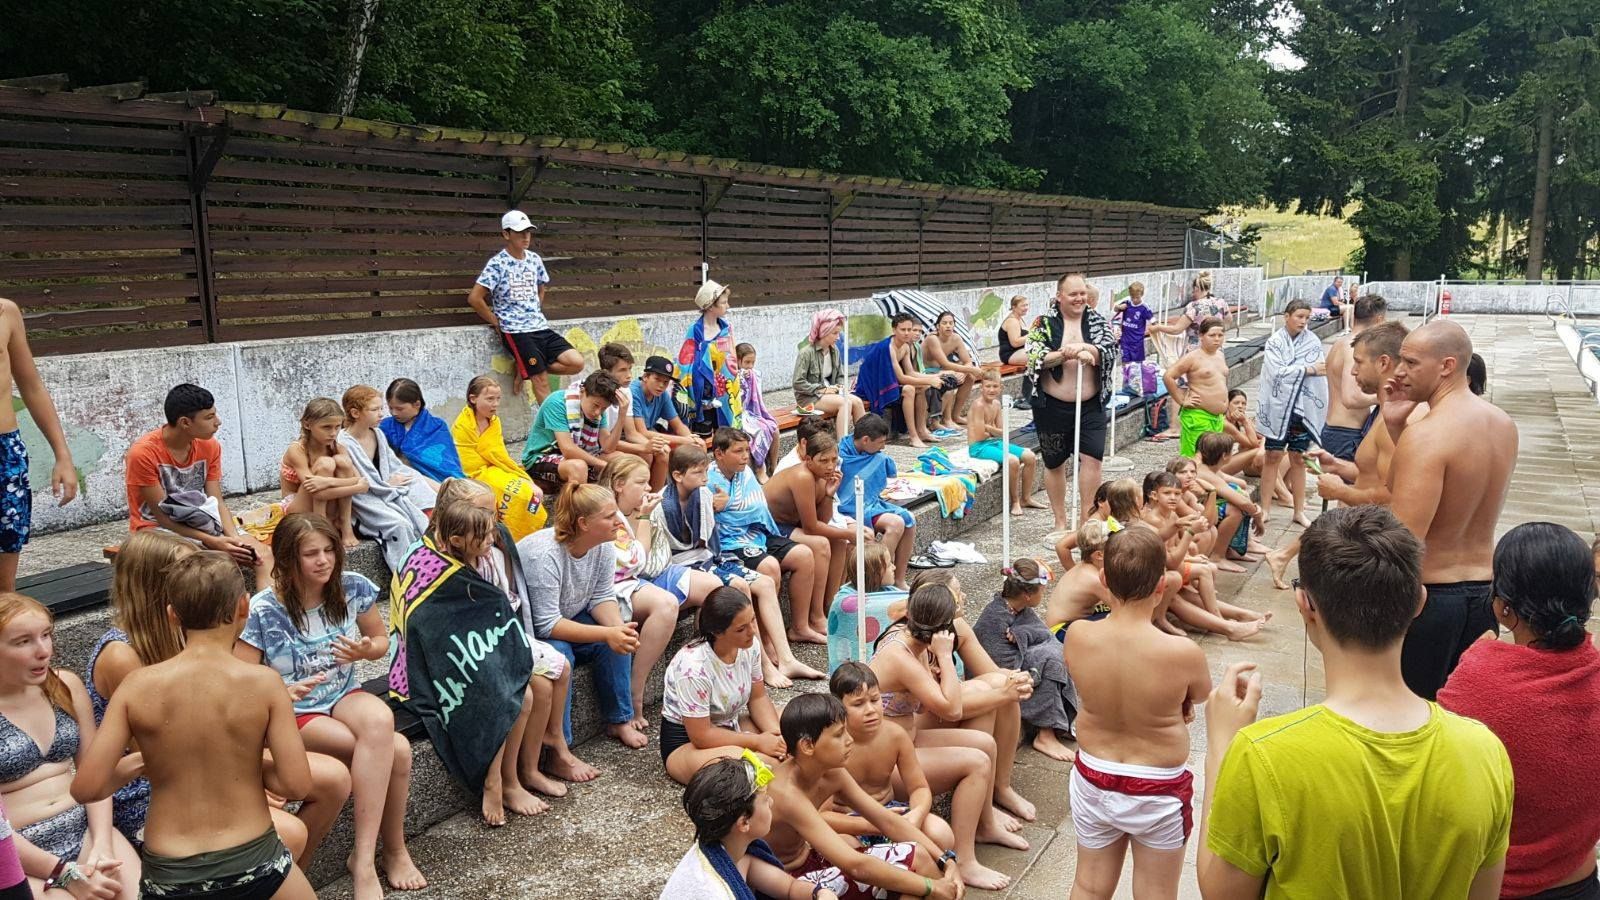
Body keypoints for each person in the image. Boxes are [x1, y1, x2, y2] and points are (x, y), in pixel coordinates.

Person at [1197, 506, 1514, 898]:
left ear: (1305, 604)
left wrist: (1220, 749)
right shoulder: (1485, 752)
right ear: (1419, 601)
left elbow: (1221, 892)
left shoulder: (1263, 755)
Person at [88, 531, 350, 866]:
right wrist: (249, 784)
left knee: (334, 779)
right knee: (291, 832)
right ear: (156, 587)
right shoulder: (122, 655)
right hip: (154, 788)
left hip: (207, 756)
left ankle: (280, 877)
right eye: (186, 570)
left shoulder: (187, 633)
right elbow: (159, 756)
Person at [234, 513, 424, 898]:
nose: (323, 560)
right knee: (397, 751)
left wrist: (365, 650)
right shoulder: (263, 609)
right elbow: (239, 680)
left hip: (342, 694)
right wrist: (280, 692)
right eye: (311, 554)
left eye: (329, 550)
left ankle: (370, 856)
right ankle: (385, 853)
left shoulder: (351, 586)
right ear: (287, 559)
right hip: (295, 711)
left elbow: (380, 641)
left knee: (380, 720)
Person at [1438, 522, 1600, 900]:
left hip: (1489, 887)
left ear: (1502, 607)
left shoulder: (1478, 679)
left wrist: (1476, 662)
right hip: (1578, 883)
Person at [1063, 526, 1210, 900]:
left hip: (1094, 773)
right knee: (1155, 892)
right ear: (1162, 585)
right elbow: (1200, 693)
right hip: (1158, 786)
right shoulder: (1182, 652)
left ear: (1103, 578)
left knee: (1089, 885)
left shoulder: (1078, 635)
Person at [431, 477, 596, 789]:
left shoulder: (492, 545)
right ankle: (510, 780)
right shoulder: (437, 560)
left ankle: (537, 762)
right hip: (473, 651)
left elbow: (507, 595)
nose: (493, 525)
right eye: (485, 515)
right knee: (529, 694)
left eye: (493, 515)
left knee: (554, 674)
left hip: (501, 636)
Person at [388, 494, 543, 826]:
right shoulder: (428, 564)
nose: (491, 540)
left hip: (470, 648)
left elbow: (489, 613)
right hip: (423, 668)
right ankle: (493, 780)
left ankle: (510, 779)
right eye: (483, 536)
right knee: (505, 696)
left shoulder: (473, 557)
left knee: (524, 695)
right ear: (457, 540)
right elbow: (424, 629)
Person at [1388, 319, 1518, 699]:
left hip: (1430, 599)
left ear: (1447, 365)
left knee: (1412, 714)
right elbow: (1407, 485)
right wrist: (1396, 426)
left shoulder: (1428, 434)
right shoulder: (1503, 424)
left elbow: (1404, 540)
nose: (1399, 372)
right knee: (1463, 712)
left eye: (1411, 363)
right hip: (1485, 595)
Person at [646, 444, 820, 688]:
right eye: (698, 473)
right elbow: (662, 555)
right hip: (682, 565)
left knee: (766, 583)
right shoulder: (660, 506)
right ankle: (763, 666)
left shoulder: (703, 495)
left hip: (709, 558)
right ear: (677, 475)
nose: (705, 479)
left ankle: (787, 659)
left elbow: (709, 542)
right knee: (739, 586)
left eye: (705, 472)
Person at [0, 594, 138, 899]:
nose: (43, 651)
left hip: (86, 830)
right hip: (19, 851)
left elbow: (95, 773)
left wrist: (102, 844)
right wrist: (62, 872)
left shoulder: (65, 686)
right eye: (23, 642)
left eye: (46, 635)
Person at [829, 663, 1011, 891]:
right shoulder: (832, 747)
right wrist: (868, 824)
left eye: (875, 700)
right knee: (843, 848)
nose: (870, 710)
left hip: (893, 812)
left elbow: (919, 788)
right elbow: (821, 816)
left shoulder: (894, 735)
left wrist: (916, 814)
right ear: (838, 707)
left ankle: (912, 878)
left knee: (941, 834)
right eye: (858, 704)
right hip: (853, 822)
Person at [868, 584, 1037, 828]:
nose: (963, 597)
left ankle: (987, 823)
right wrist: (945, 657)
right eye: (957, 594)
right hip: (886, 762)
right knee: (977, 760)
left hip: (906, 740)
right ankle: (966, 850)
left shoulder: (916, 642)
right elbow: (953, 710)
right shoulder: (900, 654)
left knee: (986, 744)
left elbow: (923, 707)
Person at [764, 695, 963, 899]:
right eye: (839, 734)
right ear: (807, 746)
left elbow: (887, 820)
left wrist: (946, 860)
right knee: (917, 865)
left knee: (914, 874)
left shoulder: (831, 772)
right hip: (787, 882)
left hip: (812, 860)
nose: (849, 740)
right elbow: (856, 867)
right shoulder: (787, 794)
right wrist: (931, 887)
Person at [518, 483, 647, 749]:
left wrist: (618, 631)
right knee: (560, 655)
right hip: (530, 630)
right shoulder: (544, 555)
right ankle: (559, 747)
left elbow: (601, 596)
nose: (619, 521)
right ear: (583, 523)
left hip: (569, 616)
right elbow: (546, 624)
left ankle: (620, 719)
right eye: (609, 516)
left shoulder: (604, 544)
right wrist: (607, 633)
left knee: (618, 636)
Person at [599, 455, 717, 727]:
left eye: (648, 482)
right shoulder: (609, 514)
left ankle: (700, 670)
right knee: (666, 605)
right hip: (620, 585)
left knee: (715, 590)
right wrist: (644, 516)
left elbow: (654, 559)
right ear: (618, 485)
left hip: (655, 572)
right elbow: (637, 561)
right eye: (641, 482)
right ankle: (636, 689)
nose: (648, 488)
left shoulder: (639, 506)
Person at [125, 383, 271, 588]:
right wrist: (212, 541)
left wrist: (234, 538)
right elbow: (163, 518)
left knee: (262, 554)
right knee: (202, 566)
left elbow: (216, 501)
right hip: (156, 528)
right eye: (209, 417)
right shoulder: (142, 454)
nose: (218, 422)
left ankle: (264, 608)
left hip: (202, 521)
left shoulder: (210, 446)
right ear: (185, 422)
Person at [708, 428, 821, 679]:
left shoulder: (745, 472)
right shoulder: (710, 479)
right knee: (769, 567)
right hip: (730, 542)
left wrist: (730, 506)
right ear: (719, 453)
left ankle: (800, 627)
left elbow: (759, 508)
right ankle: (766, 641)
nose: (745, 456)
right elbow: (721, 519)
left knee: (803, 555)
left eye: (746, 450)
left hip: (757, 532)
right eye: (738, 451)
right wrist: (735, 509)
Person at [660, 754, 842, 900]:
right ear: (744, 822)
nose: (771, 802)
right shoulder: (714, 891)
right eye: (765, 799)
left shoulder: (735, 852)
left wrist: (819, 893)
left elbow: (789, 888)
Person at [660, 587, 783, 784]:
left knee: (799, 724)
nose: (752, 631)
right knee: (759, 765)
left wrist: (777, 736)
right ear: (717, 632)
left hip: (729, 724)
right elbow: (701, 735)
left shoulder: (750, 647)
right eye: (741, 629)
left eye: (752, 620)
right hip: (689, 744)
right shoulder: (693, 668)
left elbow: (758, 698)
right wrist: (758, 741)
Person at [1024, 273, 1116, 532]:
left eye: (1082, 293)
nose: (1079, 298)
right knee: (1054, 462)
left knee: (1093, 459)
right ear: (1059, 296)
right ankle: (1060, 520)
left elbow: (1111, 348)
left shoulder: (1097, 321)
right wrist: (1064, 355)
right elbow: (1033, 356)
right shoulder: (1043, 323)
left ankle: (1087, 518)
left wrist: (1090, 350)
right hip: (1052, 406)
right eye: (1073, 294)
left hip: (1091, 405)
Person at [466, 210, 584, 404]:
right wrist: (496, 322)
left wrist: (535, 310)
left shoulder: (534, 259)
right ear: (506, 234)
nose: (526, 236)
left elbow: (541, 288)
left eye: (528, 232)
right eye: (520, 232)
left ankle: (525, 367)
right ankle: (551, 423)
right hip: (516, 331)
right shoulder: (497, 264)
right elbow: (475, 298)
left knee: (576, 362)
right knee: (541, 381)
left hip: (539, 326)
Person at [0, 297, 76, 592]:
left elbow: (32, 386)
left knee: (5, 587)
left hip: (6, 453)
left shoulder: (6, 312)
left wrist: (62, 454)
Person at [972, 559, 1077, 762]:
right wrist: (1036, 665)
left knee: (1052, 654)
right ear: (1027, 595)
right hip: (997, 678)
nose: (1043, 594)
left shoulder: (1019, 609)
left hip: (1018, 669)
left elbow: (1046, 636)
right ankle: (1045, 735)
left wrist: (1024, 633)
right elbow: (997, 667)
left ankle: (1051, 728)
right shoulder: (994, 618)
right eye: (1042, 591)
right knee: (1049, 659)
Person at [763, 430, 854, 642]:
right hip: (770, 527)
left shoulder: (822, 478)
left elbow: (823, 519)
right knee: (821, 544)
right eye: (823, 461)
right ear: (808, 459)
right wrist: (850, 532)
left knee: (839, 540)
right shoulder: (803, 476)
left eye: (834, 460)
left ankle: (829, 605)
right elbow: (812, 528)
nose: (830, 466)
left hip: (789, 526)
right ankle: (815, 616)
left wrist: (829, 494)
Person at [338, 385, 430, 571]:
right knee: (400, 525)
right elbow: (359, 482)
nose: (381, 414)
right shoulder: (343, 442)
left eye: (381, 408)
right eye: (374, 410)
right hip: (364, 499)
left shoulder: (378, 433)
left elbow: (394, 466)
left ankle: (431, 566)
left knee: (418, 486)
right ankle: (408, 573)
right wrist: (387, 484)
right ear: (355, 413)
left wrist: (396, 481)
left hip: (386, 488)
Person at [1256, 299, 1327, 528]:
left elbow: (1321, 371)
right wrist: (1307, 369)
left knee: (1298, 458)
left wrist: (1309, 371)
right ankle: (1265, 509)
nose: (1303, 322)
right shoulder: (1275, 342)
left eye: (1307, 317)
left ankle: (1299, 511)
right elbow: (1276, 372)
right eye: (1299, 316)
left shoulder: (1312, 341)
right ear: (1287, 316)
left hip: (1302, 408)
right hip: (1277, 408)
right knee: (1272, 456)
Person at [451, 374, 547, 540]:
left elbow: (499, 455)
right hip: (476, 474)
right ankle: (515, 536)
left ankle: (531, 532)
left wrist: (512, 473)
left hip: (496, 468)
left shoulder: (494, 422)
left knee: (533, 492)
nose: (495, 404)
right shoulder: (462, 426)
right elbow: (467, 463)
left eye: (498, 399)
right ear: (473, 399)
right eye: (490, 399)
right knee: (520, 495)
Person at [836, 415, 917, 590]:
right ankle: (876, 579)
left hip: (870, 505)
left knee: (908, 519)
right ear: (865, 440)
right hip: (844, 509)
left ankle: (898, 579)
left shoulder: (876, 456)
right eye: (881, 442)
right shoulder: (839, 456)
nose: (883, 447)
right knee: (895, 524)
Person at [279, 397, 365, 549]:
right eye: (326, 427)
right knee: (325, 464)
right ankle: (322, 526)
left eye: (337, 427)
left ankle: (345, 525)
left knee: (343, 461)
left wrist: (328, 481)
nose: (333, 433)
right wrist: (357, 487)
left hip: (329, 501)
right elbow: (317, 491)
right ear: (307, 424)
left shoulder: (338, 448)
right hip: (297, 508)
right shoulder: (297, 449)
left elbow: (361, 480)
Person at [522, 371, 623, 486]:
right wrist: (603, 465)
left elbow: (608, 448)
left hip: (577, 456)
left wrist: (622, 415)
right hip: (541, 457)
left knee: (620, 459)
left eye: (604, 408)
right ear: (583, 391)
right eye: (595, 405)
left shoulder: (599, 410)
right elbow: (568, 449)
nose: (597, 412)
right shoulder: (557, 403)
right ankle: (577, 498)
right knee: (579, 467)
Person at [965, 370, 1044, 515]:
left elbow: (1003, 432)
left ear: (1001, 388)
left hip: (994, 442)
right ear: (981, 388)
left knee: (1030, 456)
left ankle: (1026, 498)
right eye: (988, 386)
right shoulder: (978, 406)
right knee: (1012, 460)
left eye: (995, 386)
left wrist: (988, 428)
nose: (991, 390)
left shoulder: (996, 404)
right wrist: (992, 430)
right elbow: (980, 436)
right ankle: (1015, 501)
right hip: (978, 447)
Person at [1320, 295, 1385, 464]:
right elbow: (1351, 398)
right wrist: (1383, 398)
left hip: (1336, 429)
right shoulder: (1353, 349)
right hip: (1347, 433)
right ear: (1379, 320)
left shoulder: (1339, 343)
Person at [826, 541, 907, 672]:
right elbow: (896, 605)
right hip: (855, 673)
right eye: (889, 565)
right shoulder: (845, 602)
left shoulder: (889, 592)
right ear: (875, 572)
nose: (894, 567)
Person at [679, 280, 745, 435]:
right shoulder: (695, 330)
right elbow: (686, 361)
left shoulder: (726, 328)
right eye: (723, 302)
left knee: (727, 435)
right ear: (710, 306)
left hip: (725, 390)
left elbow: (731, 358)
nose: (728, 306)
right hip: (703, 392)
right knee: (704, 434)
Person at [1163, 317, 1230, 459]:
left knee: (1213, 460)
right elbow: (1168, 376)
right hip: (1198, 415)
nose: (1217, 339)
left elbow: (1220, 382)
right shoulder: (1192, 357)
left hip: (1217, 418)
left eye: (1220, 335)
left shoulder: (1220, 355)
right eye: (1212, 335)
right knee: (1195, 459)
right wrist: (1181, 400)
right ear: (1201, 336)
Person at [793, 310, 866, 439]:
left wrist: (840, 387)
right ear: (824, 332)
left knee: (858, 402)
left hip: (831, 393)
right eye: (835, 333)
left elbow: (840, 376)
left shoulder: (834, 350)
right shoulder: (806, 353)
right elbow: (798, 383)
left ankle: (864, 441)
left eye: (839, 333)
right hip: (810, 398)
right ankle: (842, 444)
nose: (838, 337)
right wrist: (823, 389)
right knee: (845, 403)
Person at [630, 355, 699, 490]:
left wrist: (692, 439)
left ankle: (658, 495)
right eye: (657, 379)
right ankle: (644, 493)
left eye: (666, 382)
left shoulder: (662, 395)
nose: (661, 385)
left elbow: (678, 425)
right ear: (645, 376)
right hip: (630, 434)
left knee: (695, 447)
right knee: (654, 453)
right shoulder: (634, 392)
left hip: (649, 432)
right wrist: (684, 440)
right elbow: (641, 432)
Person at [380, 378, 466, 483]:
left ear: (417, 404)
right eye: (390, 408)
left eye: (399, 409)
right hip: (402, 479)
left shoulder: (437, 427)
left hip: (435, 481)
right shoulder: (384, 427)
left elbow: (447, 463)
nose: (394, 413)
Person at [1046, 518, 1114, 635]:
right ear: (1099, 555)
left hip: (1066, 624)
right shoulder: (1093, 579)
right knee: (1117, 625)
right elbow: (1120, 608)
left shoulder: (1084, 567)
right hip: (1060, 631)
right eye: (1116, 548)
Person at [921, 311, 983, 428]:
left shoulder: (956, 338)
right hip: (928, 371)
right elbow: (945, 363)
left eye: (951, 323)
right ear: (938, 326)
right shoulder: (932, 339)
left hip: (943, 370)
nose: (948, 326)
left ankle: (956, 415)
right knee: (950, 380)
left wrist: (964, 372)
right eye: (944, 323)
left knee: (970, 377)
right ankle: (941, 420)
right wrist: (969, 369)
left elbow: (968, 361)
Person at [888, 313, 942, 447]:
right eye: (903, 330)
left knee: (924, 387)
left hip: (893, 383)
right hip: (879, 386)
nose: (907, 333)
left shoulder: (906, 346)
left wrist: (933, 378)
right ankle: (913, 436)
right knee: (909, 389)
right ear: (894, 330)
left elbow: (911, 372)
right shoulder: (889, 347)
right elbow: (901, 378)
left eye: (909, 329)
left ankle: (921, 430)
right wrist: (929, 380)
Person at [1147, 270, 1231, 350]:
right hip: (1216, 349)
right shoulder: (1221, 303)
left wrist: (1158, 327)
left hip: (1197, 350)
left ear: (1196, 288)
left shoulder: (1193, 307)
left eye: (1193, 290)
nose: (1192, 293)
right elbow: (1228, 321)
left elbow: (1176, 329)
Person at [735, 344, 780, 479]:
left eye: (752, 362)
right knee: (760, 430)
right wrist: (741, 378)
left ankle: (773, 466)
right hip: (739, 415)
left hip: (752, 413)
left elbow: (756, 399)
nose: (750, 366)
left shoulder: (754, 375)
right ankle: (760, 467)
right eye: (747, 362)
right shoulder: (732, 376)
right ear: (738, 360)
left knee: (774, 429)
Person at [1111, 281, 1153, 374]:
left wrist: (1156, 328)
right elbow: (1115, 309)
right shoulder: (1127, 303)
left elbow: (1152, 319)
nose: (1134, 299)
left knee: (1137, 364)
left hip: (1137, 342)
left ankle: (1137, 379)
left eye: (1137, 297)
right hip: (1125, 340)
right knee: (1125, 362)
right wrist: (1119, 307)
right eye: (1132, 297)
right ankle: (1126, 378)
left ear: (1142, 295)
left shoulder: (1144, 308)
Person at [997, 295, 1030, 367]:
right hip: (1010, 354)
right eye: (1023, 306)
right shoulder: (1012, 321)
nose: (1026, 308)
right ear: (1014, 307)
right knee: (1041, 355)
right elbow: (1015, 343)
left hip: (1019, 351)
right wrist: (1033, 335)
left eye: (1027, 305)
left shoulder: (1019, 318)